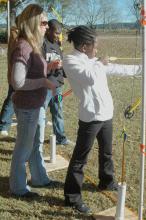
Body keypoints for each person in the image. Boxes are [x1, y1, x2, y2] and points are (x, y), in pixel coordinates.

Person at [62, 26, 118, 214]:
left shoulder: (92, 60)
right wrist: (99, 63)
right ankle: (72, 197)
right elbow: (89, 79)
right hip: (90, 117)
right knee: (80, 159)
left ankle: (107, 182)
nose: (97, 49)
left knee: (107, 152)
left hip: (106, 114)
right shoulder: (70, 60)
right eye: (95, 45)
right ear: (85, 46)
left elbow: (114, 69)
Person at [9, 4, 60, 198]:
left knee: (35, 145)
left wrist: (48, 67)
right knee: (23, 148)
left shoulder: (32, 44)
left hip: (35, 105)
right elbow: (18, 82)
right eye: (44, 23)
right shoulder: (24, 46)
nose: (47, 26)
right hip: (27, 107)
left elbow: (31, 70)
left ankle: (39, 178)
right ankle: (18, 188)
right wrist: (45, 81)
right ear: (33, 23)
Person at [42, 19, 68, 145]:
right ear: (48, 30)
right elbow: (38, 67)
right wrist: (52, 65)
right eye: (56, 33)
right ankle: (37, 139)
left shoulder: (58, 46)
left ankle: (60, 138)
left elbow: (62, 64)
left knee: (58, 111)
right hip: (45, 87)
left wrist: (65, 70)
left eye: (60, 33)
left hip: (57, 87)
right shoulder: (42, 44)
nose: (58, 36)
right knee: (40, 113)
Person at [0, 15, 20, 136]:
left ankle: (4, 123)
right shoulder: (15, 34)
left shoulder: (17, 34)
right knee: (12, 98)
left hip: (18, 72)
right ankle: (3, 124)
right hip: (15, 72)